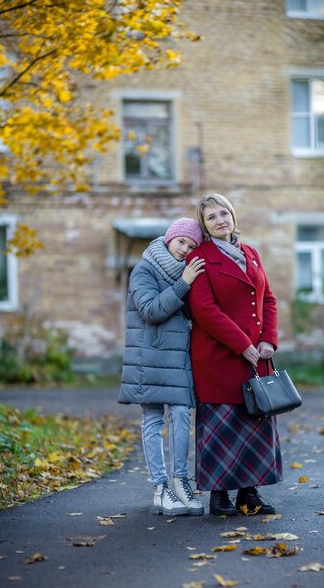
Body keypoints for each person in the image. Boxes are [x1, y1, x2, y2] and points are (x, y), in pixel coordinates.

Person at [186, 194, 283, 516]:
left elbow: (267, 299)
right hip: (218, 358)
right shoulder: (200, 258)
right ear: (204, 226)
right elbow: (204, 310)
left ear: (233, 216)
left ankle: (249, 495)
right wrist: (243, 344)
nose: (219, 220)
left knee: (255, 423)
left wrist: (268, 339)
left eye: (223, 213)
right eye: (211, 217)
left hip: (258, 358)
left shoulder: (251, 253)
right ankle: (218, 496)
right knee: (221, 426)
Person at [118, 218, 206, 516]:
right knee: (153, 420)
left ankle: (180, 482)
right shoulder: (144, 269)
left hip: (178, 359)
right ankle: (160, 487)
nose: (185, 250)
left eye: (192, 246)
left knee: (182, 416)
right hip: (149, 357)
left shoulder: (186, 271)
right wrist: (185, 283)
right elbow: (151, 310)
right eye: (182, 242)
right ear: (169, 238)